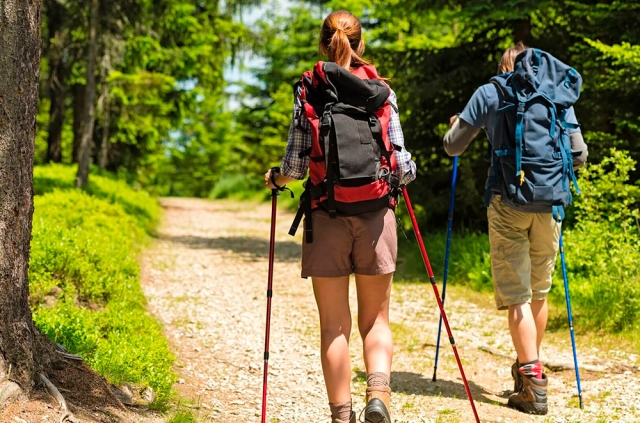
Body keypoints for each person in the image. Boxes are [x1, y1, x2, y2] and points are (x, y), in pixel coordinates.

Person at [264, 10, 416, 423]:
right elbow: (402, 165)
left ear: (322, 44)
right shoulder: (380, 91)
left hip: (325, 216)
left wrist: (275, 178)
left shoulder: (309, 90)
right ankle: (379, 396)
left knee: (334, 326)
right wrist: (398, 178)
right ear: (360, 43)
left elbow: (295, 166)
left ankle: (341, 416)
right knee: (376, 320)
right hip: (375, 216)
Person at [443, 43, 588, 415]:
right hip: (551, 204)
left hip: (507, 200)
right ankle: (529, 368)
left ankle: (532, 382)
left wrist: (456, 126)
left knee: (517, 295)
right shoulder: (558, 94)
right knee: (538, 290)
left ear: (504, 65)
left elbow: (453, 147)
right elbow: (580, 155)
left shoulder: (491, 91)